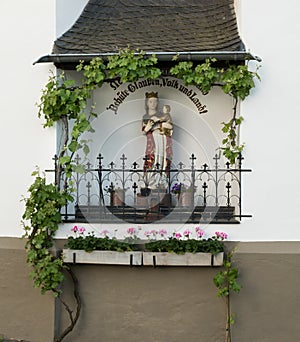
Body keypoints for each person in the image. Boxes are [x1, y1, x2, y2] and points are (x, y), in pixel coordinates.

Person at [142, 92, 173, 188]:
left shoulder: (162, 115)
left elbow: (170, 126)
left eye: (155, 102)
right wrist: (148, 126)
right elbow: (143, 131)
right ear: (147, 103)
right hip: (152, 141)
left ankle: (161, 181)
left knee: (163, 159)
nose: (153, 104)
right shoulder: (145, 117)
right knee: (152, 159)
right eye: (150, 102)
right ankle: (151, 181)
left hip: (162, 140)